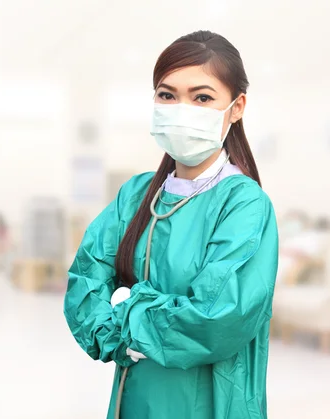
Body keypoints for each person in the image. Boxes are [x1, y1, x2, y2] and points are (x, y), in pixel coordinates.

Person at [63, 31, 278, 419]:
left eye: (202, 97)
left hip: (212, 402)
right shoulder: (138, 194)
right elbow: (86, 278)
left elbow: (217, 318)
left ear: (237, 106)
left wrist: (128, 310)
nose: (182, 109)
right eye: (167, 95)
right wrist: (114, 334)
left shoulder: (244, 204)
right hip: (137, 398)